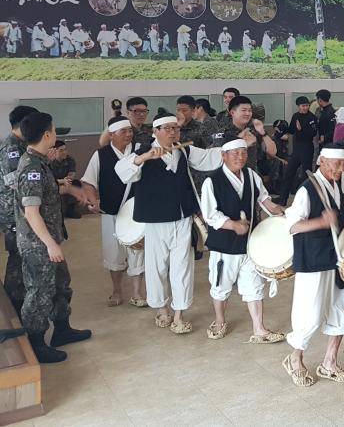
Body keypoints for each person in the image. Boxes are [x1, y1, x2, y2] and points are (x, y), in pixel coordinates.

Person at [115, 112, 227, 334]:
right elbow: (122, 171)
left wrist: (233, 149)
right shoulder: (143, 150)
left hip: (182, 217)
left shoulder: (183, 150)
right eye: (167, 128)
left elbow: (208, 157)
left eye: (175, 128)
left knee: (183, 266)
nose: (173, 132)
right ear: (155, 131)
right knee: (156, 266)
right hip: (156, 221)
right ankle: (161, 308)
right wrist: (143, 158)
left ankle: (179, 314)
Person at [15, 112, 92, 363]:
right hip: (38, 244)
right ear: (47, 134)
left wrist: (71, 190)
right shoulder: (31, 167)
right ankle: (36, 344)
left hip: (48, 240)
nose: (56, 135)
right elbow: (31, 211)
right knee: (40, 291)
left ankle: (62, 330)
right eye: (55, 130)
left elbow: (47, 192)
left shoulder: (39, 162)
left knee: (60, 284)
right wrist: (49, 244)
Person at [282, 145, 344, 388]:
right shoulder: (307, 189)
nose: (341, 168)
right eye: (337, 163)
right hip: (313, 259)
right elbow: (292, 225)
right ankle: (294, 359)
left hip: (337, 258)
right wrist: (320, 222)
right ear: (322, 161)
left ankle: (329, 362)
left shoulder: (335, 187)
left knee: (342, 308)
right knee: (310, 312)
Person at [200, 139, 285, 342]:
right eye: (235, 153)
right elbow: (210, 214)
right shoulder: (212, 181)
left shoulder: (251, 175)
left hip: (249, 243)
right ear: (224, 155)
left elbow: (263, 198)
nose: (240, 157)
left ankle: (259, 329)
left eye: (244, 152)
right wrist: (233, 225)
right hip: (224, 245)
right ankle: (219, 321)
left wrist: (277, 210)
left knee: (254, 285)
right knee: (221, 285)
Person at [79, 118, 146, 308]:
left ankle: (137, 292)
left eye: (130, 130)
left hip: (136, 212)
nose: (128, 134)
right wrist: (92, 199)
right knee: (113, 253)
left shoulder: (140, 150)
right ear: (111, 135)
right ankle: (117, 290)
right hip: (111, 211)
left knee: (138, 251)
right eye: (123, 131)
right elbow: (88, 181)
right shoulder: (101, 155)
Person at [0, 105, 38, 314]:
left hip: (20, 211)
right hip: (13, 214)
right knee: (18, 258)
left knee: (22, 257)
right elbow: (14, 180)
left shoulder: (21, 144)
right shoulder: (12, 147)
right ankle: (13, 310)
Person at [212, 96, 277, 173]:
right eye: (244, 110)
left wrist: (263, 132)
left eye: (250, 110)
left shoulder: (254, 130)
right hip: (230, 176)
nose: (248, 113)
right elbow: (216, 157)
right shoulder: (222, 133)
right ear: (232, 112)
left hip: (251, 175)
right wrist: (241, 142)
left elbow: (272, 152)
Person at [276, 97, 318, 206]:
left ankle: (306, 201)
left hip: (307, 147)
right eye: (303, 106)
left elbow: (313, 133)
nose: (305, 108)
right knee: (289, 173)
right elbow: (291, 130)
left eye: (307, 105)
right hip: (297, 148)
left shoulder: (312, 117)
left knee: (306, 175)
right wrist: (281, 129)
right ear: (298, 106)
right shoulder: (295, 116)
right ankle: (282, 199)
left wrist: (301, 129)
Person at [315, 90, 336, 156]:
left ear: (320, 100)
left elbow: (334, 129)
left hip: (327, 144)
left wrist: (324, 137)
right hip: (326, 143)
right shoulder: (328, 110)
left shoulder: (329, 112)